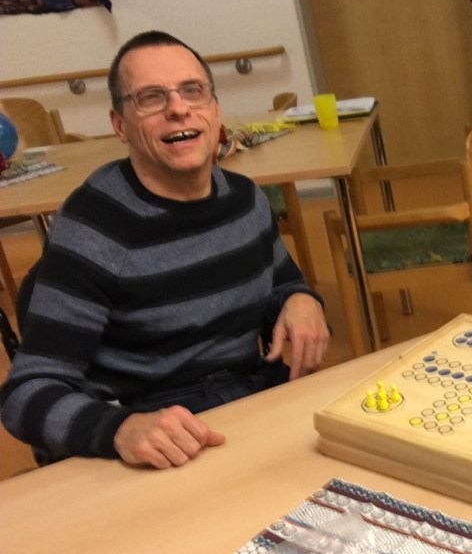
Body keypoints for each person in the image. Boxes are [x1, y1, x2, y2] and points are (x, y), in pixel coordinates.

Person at [0, 31, 330, 469]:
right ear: (120, 125)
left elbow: (281, 281)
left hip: (250, 404)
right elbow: (26, 394)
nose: (178, 109)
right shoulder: (95, 228)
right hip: (157, 435)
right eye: (151, 98)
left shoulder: (245, 199)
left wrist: (300, 297)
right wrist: (119, 429)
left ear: (215, 109)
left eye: (193, 91)